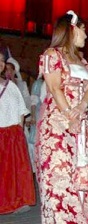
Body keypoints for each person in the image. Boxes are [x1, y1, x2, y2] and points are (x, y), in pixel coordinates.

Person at [36, 10, 88, 223]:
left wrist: (82, 107)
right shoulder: (52, 55)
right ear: (73, 30)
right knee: (60, 175)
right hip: (58, 124)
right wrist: (69, 115)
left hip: (82, 123)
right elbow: (55, 88)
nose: (85, 36)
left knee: (82, 175)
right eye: (83, 30)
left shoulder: (82, 61)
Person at [0, 51, 36, 215]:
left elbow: (21, 110)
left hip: (13, 134)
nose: (0, 63)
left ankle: (17, 201)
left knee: (14, 170)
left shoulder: (11, 85)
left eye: (1, 60)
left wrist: (19, 132)